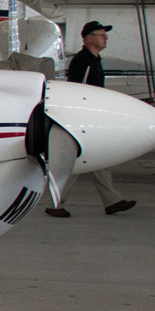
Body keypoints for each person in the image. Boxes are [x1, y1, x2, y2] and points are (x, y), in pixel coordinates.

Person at [45, 20, 137, 217]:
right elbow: (78, 92)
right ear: (88, 39)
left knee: (96, 161)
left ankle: (111, 201)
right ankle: (56, 203)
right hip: (81, 121)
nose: (105, 38)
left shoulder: (94, 60)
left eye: (105, 35)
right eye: (101, 35)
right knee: (82, 162)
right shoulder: (82, 61)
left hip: (88, 119)